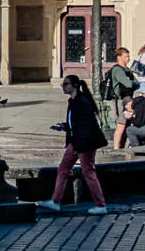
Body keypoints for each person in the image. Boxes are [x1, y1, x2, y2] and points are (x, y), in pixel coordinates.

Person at [37, 74, 108, 214]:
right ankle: (55, 201)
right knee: (63, 169)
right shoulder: (73, 101)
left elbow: (86, 126)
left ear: (74, 85)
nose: (63, 87)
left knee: (88, 172)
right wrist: (65, 126)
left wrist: (77, 146)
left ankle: (101, 205)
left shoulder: (82, 102)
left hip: (84, 143)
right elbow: (76, 122)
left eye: (65, 84)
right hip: (76, 141)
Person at [100, 48, 138, 122]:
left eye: (128, 57)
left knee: (127, 120)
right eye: (125, 57)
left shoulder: (127, 69)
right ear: (119, 57)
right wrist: (130, 81)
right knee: (121, 121)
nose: (128, 59)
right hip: (118, 100)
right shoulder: (118, 70)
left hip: (127, 99)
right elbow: (129, 84)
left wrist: (130, 81)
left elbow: (137, 84)